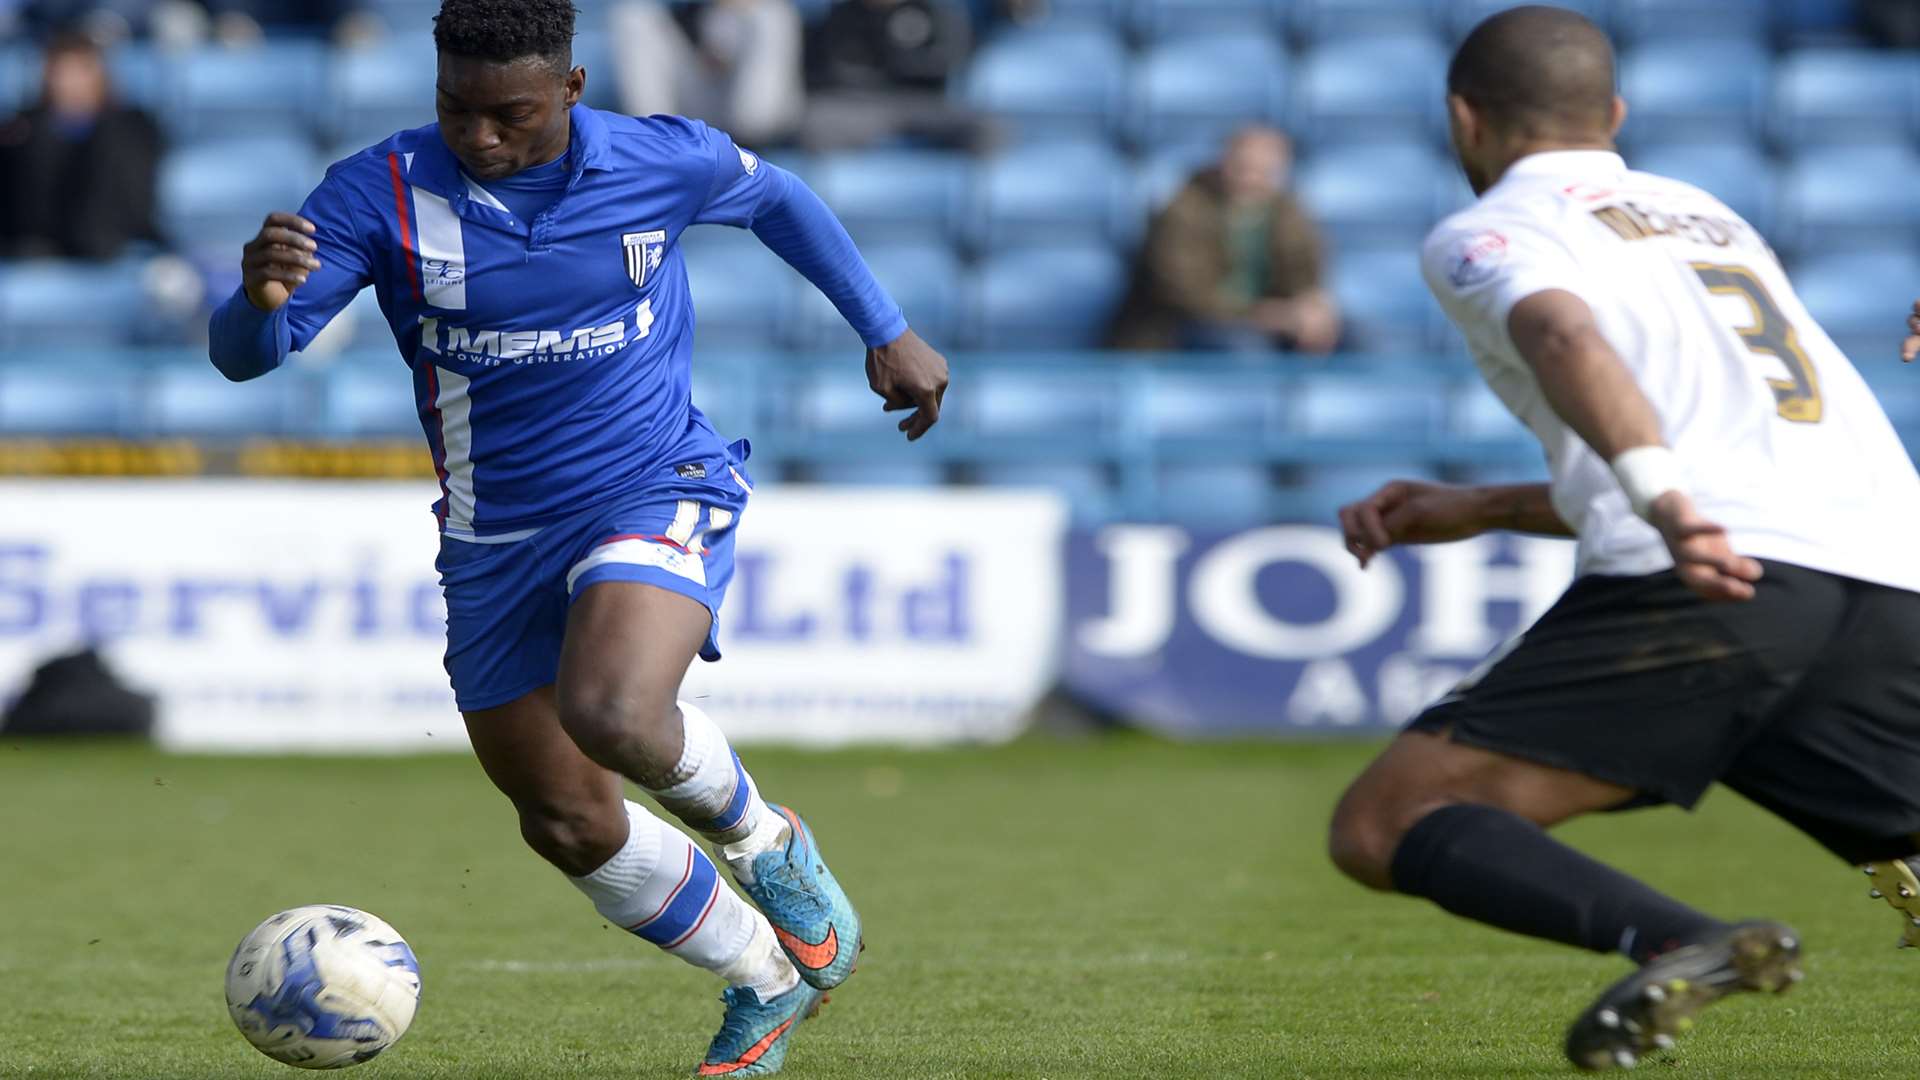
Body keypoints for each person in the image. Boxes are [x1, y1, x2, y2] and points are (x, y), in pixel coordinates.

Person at [205, 0, 950, 1074]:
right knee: (564, 818)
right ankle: (762, 978)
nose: (482, 137)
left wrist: (885, 328)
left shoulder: (662, 158)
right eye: (457, 112)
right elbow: (251, 354)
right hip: (491, 536)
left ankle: (766, 843)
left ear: (572, 89)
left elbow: (780, 198)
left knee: (614, 708)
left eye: (509, 115)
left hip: (654, 480)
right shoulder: (379, 193)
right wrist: (253, 296)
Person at [1328, 6, 1920, 1071]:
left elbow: (1561, 334)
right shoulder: (1705, 214)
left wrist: (1666, 504)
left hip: (1722, 568)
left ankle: (1682, 944)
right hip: (1883, 568)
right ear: (1614, 115)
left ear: (1463, 118)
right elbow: (1743, 450)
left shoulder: (1493, 229)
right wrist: (1486, 508)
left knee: (1390, 819)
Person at [1108, 126, 1339, 355]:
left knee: (1354, 339)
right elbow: (1184, 293)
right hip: (1188, 324)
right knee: (1245, 350)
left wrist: (1311, 305)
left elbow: (1305, 270)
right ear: (1224, 161)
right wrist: (1262, 315)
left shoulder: (1288, 210)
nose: (1252, 178)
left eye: (1265, 171)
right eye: (1244, 167)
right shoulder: (1184, 208)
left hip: (1272, 319)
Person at [0, 30, 162, 261]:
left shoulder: (133, 127)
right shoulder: (24, 129)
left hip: (112, 244)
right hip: (37, 246)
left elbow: (134, 196)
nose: (69, 83)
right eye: (61, 73)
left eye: (79, 71)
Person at [608, 0, 805, 148]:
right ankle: (660, 143)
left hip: (758, 124)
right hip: (694, 107)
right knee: (632, 18)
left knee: (771, 16)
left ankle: (744, 153)